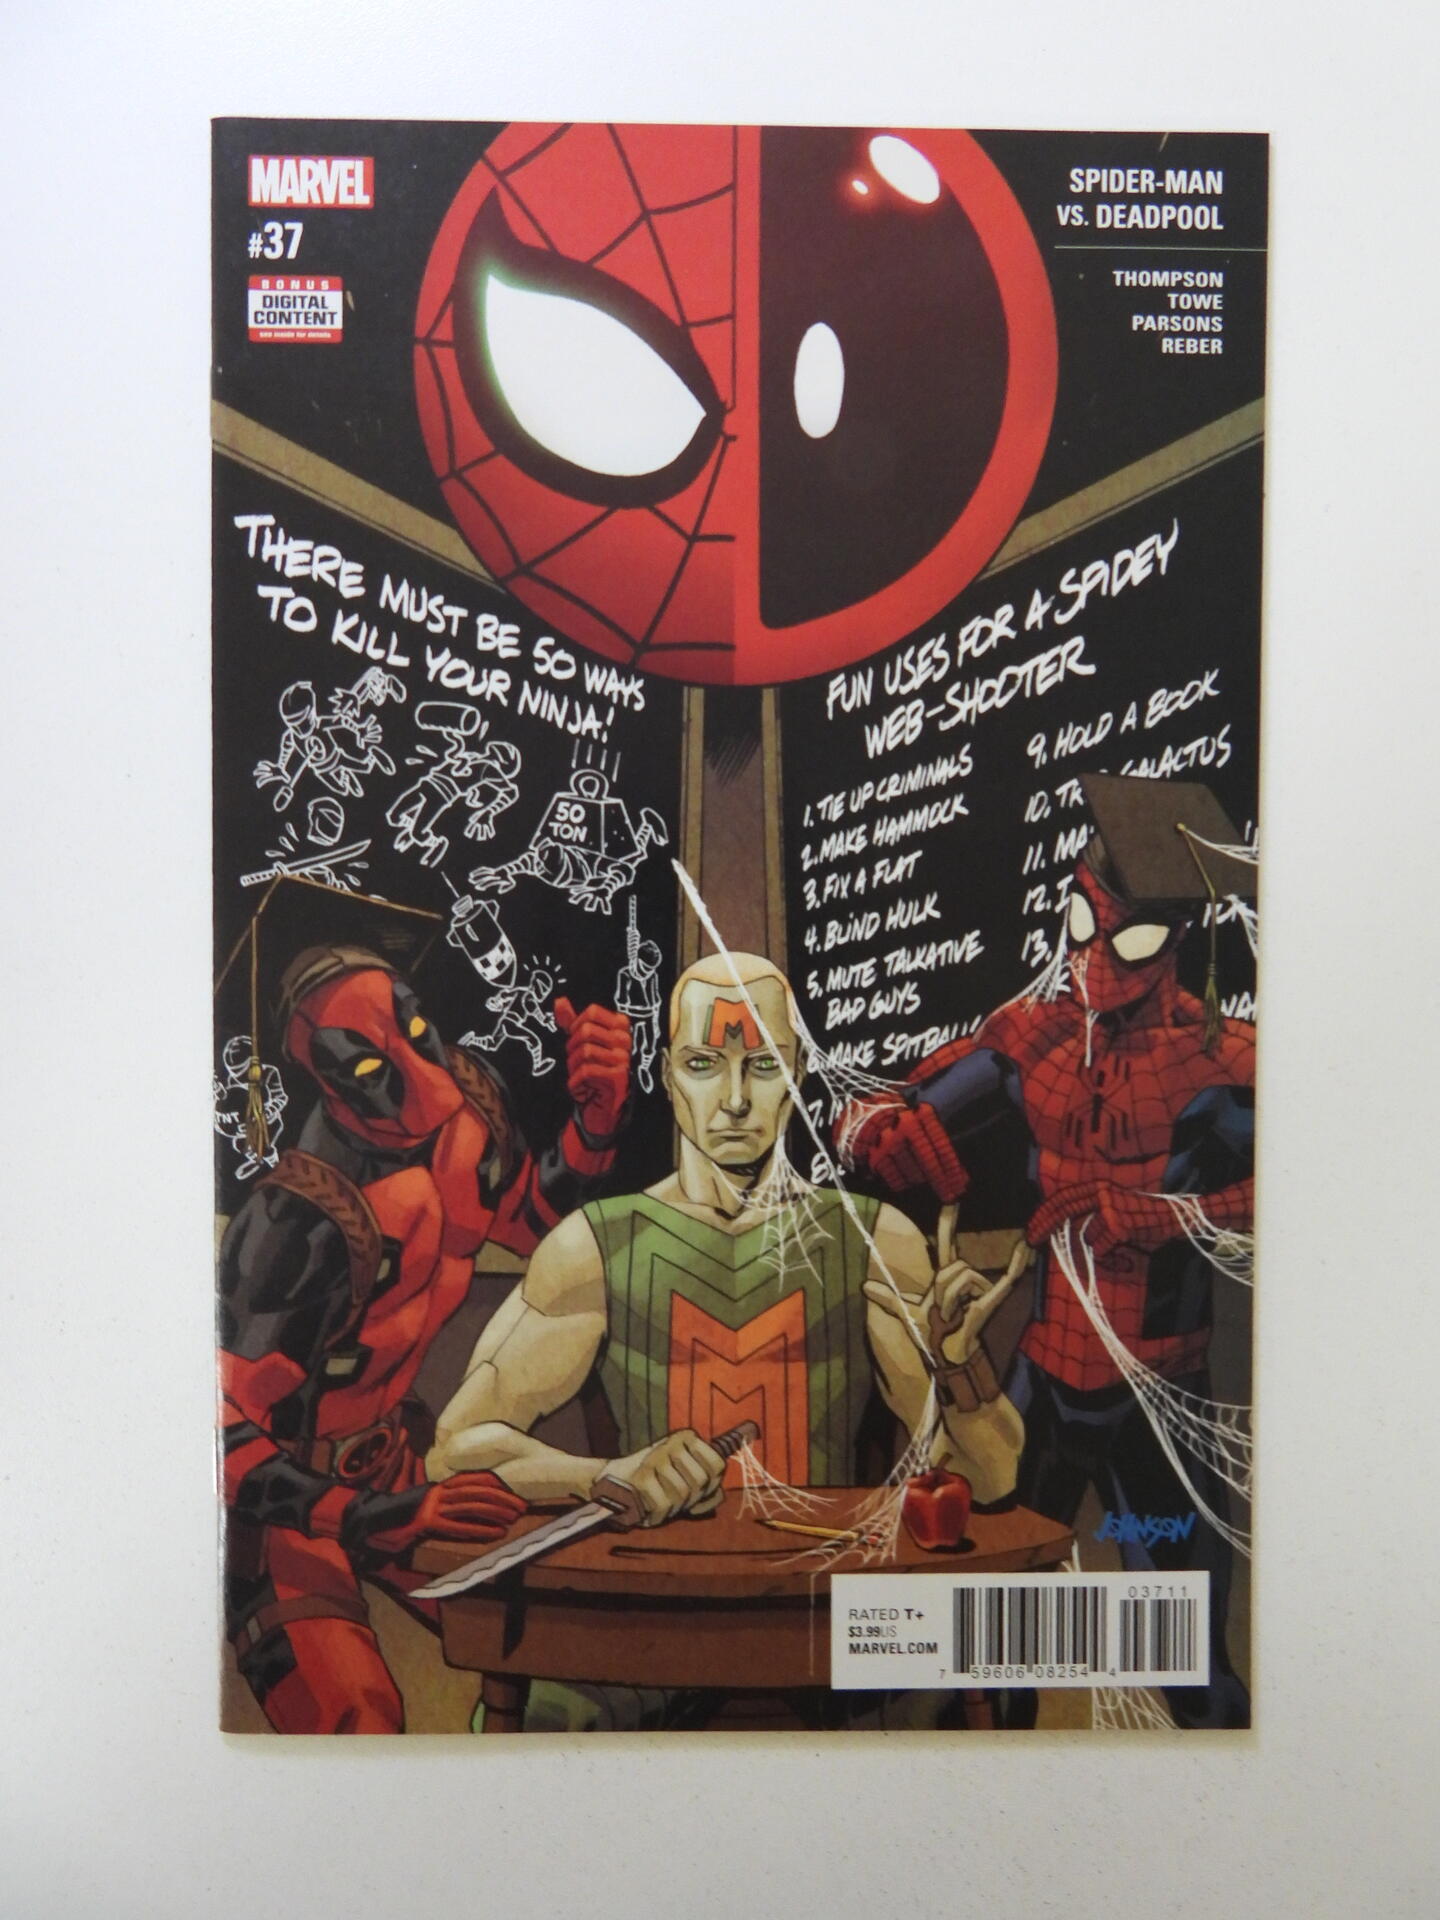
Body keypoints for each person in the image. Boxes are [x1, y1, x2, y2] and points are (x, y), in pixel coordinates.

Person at [428, 951, 1025, 1731]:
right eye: (705, 1064)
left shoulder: (876, 1241)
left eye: (764, 1065)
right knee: (540, 1724)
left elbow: (991, 1478)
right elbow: (457, 1448)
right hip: (645, 1640)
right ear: (667, 1075)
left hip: (834, 1640)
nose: (736, 1100)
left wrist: (962, 1370)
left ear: (798, 1073)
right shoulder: (593, 1247)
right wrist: (603, 1475)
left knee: (973, 1697)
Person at [842, 773, 1256, 1727]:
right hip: (1045, 1386)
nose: (1096, 959)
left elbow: (1311, 1191)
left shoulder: (1225, 1058)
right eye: (1080, 922)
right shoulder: (1036, 1034)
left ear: (1179, 943)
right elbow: (899, 1097)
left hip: (1159, 1399)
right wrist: (874, 1128)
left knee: (1192, 1661)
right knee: (988, 1644)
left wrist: (1163, 1216)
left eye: (1130, 939)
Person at [218, 939, 632, 1733]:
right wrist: (372, 1517)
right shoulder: (290, 1222)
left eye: (415, 1032)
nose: (424, 1080)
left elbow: (527, 1221)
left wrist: (596, 1122)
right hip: (289, 1518)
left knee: (572, 1654)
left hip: (397, 1464)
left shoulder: (472, 1111)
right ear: (322, 1077)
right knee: (359, 1724)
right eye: (371, 1068)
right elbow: (220, 1433)